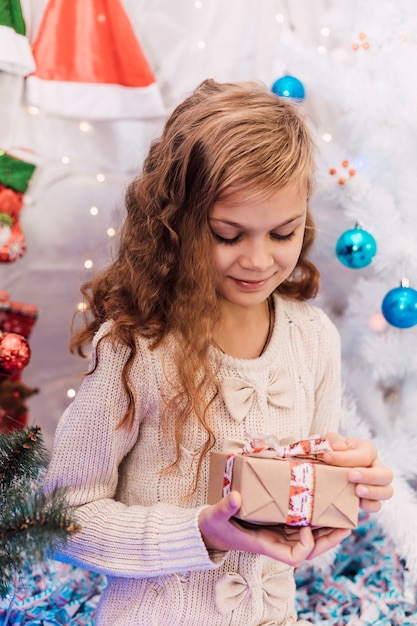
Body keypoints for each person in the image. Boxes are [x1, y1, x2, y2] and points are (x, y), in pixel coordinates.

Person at [45, 79, 393, 626]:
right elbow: (62, 517)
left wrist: (348, 490)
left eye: (282, 233)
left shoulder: (313, 338)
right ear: (176, 222)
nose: (257, 260)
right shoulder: (136, 347)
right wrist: (199, 531)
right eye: (228, 235)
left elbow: (300, 508)